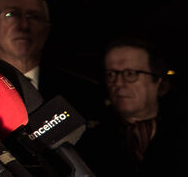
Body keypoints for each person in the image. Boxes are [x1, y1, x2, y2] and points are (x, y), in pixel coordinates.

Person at [79, 38, 187, 176]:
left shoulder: (180, 127)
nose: (118, 83)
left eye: (130, 74)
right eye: (111, 74)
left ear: (157, 80)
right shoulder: (90, 139)